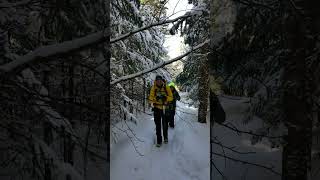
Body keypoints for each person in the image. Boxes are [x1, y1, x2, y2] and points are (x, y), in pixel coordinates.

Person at [149, 75, 173, 147]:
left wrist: (165, 98)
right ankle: (159, 141)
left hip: (165, 108)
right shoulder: (153, 88)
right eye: (157, 80)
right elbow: (150, 99)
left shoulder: (166, 87)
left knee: (165, 124)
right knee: (158, 125)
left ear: (162, 81)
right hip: (157, 109)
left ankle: (165, 137)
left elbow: (171, 97)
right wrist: (156, 98)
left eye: (160, 80)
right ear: (156, 81)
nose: (159, 82)